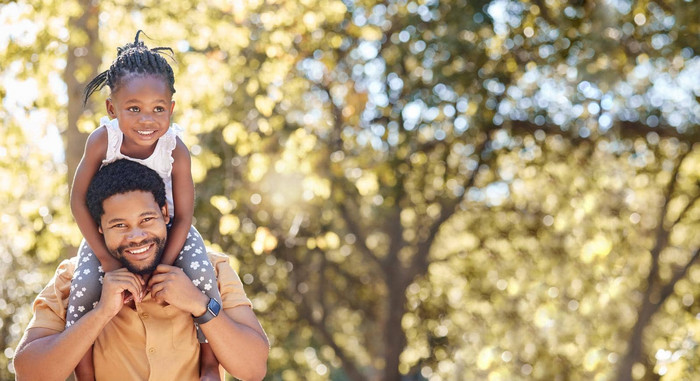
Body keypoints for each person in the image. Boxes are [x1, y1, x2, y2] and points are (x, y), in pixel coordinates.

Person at [14, 159, 269, 380]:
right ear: (99, 228)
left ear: (165, 213)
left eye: (146, 219)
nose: (136, 236)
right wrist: (101, 313)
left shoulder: (213, 270)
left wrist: (200, 304)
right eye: (119, 225)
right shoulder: (71, 279)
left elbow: (253, 369)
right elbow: (28, 375)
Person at [67, 31, 221, 376]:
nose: (147, 120)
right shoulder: (102, 141)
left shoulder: (175, 150)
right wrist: (106, 259)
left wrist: (164, 267)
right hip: (113, 234)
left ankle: (210, 362)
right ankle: (85, 372)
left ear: (171, 109)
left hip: (166, 231)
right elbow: (78, 201)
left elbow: (183, 217)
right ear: (112, 108)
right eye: (133, 109)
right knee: (84, 287)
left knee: (201, 272)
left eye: (158, 109)